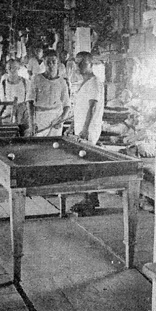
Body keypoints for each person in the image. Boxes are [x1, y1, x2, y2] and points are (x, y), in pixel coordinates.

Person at [65, 51, 105, 212]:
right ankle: (91, 198)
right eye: (77, 62)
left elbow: (92, 107)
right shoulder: (84, 83)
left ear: (90, 64)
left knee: (87, 164)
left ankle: (89, 201)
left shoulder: (95, 82)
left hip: (89, 130)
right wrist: (72, 126)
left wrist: (84, 129)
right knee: (85, 164)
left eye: (82, 62)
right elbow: (80, 109)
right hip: (81, 128)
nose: (78, 66)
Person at [26, 49, 71, 137]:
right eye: (48, 62)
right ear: (44, 62)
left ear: (57, 63)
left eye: (53, 62)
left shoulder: (62, 81)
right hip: (40, 118)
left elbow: (67, 105)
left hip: (56, 117)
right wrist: (31, 123)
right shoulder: (36, 78)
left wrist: (61, 119)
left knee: (54, 145)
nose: (51, 65)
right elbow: (29, 101)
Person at [0, 59, 29, 136]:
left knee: (25, 134)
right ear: (6, 69)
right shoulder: (3, 83)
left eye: (14, 67)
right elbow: (3, 101)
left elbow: (30, 100)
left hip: (23, 112)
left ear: (18, 68)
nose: (12, 70)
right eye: (9, 68)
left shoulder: (25, 82)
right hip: (9, 112)